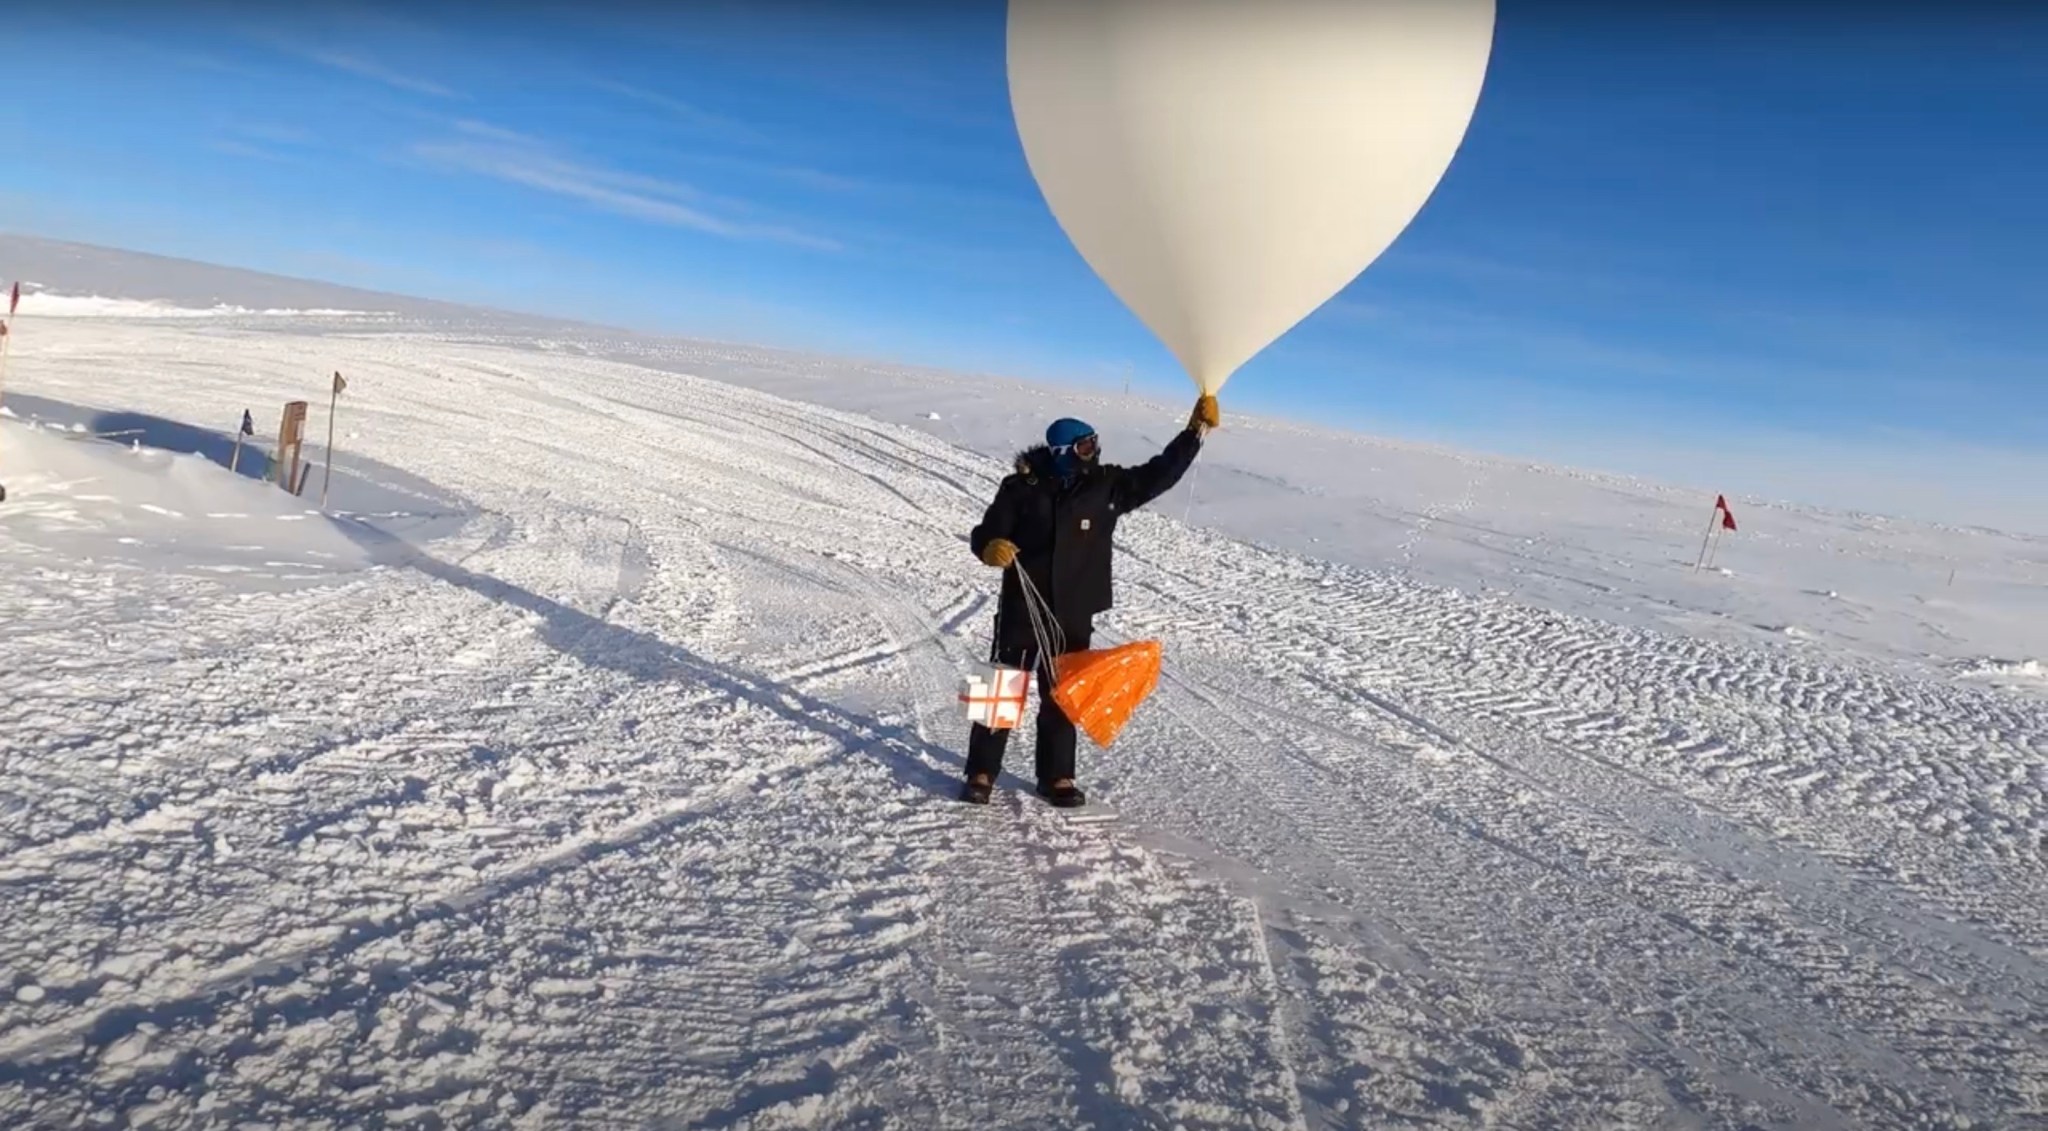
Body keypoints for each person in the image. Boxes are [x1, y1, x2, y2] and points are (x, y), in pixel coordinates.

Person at [960, 393, 1220, 806]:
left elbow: (1160, 474)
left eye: (1095, 443)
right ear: (1062, 453)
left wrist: (1193, 433)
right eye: (1085, 446)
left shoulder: (1106, 487)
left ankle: (1057, 777)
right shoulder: (1020, 488)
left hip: (1073, 611)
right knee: (1001, 690)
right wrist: (989, 547)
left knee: (1064, 693)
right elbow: (986, 530)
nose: (1094, 452)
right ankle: (981, 771)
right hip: (1021, 608)